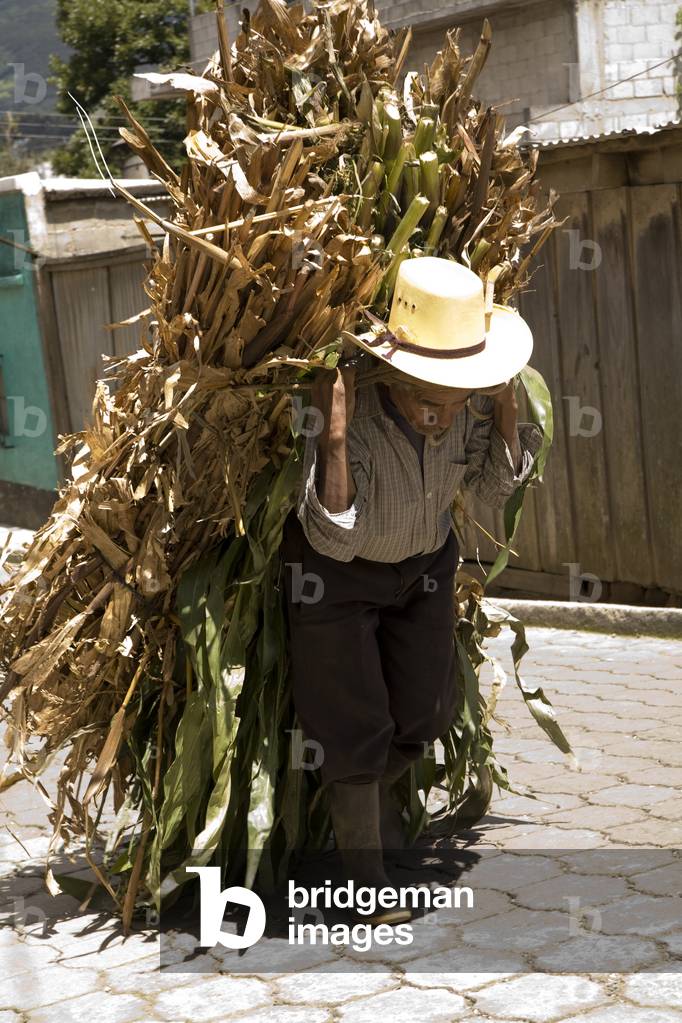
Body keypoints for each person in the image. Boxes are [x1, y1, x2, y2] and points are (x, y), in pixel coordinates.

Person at [280, 258, 543, 924]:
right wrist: (334, 441)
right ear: (393, 371)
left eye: (459, 396)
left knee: (426, 710)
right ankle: (364, 882)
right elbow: (333, 538)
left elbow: (486, 493)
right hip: (336, 577)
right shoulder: (349, 405)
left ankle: (349, 800)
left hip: (424, 567)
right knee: (354, 725)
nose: (442, 413)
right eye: (430, 394)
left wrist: (506, 407)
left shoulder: (474, 405)